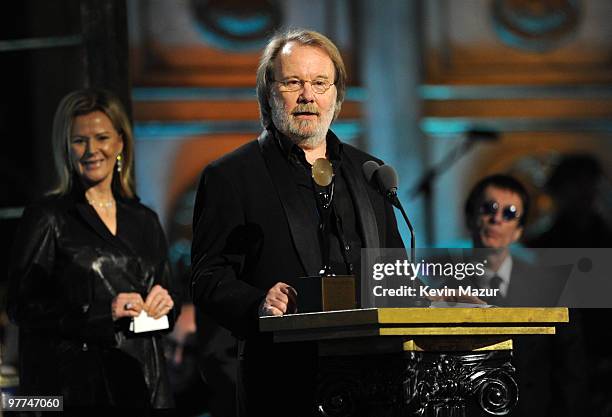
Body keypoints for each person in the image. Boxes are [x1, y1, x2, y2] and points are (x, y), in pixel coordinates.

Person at [191, 29, 403, 416]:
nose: (308, 96)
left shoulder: (369, 170)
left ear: (337, 96)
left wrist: (434, 299)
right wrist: (258, 301)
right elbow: (208, 277)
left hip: (377, 384)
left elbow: (394, 272)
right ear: (268, 93)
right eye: (293, 82)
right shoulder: (231, 176)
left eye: (320, 83)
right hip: (284, 383)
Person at [7, 89, 178, 414]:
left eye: (101, 137)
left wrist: (166, 304)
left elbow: (171, 299)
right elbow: (20, 305)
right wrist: (102, 310)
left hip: (143, 384)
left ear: (119, 143)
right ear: (66, 149)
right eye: (79, 140)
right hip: (77, 390)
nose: (91, 150)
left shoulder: (144, 219)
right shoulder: (48, 216)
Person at [464, 174, 587, 417]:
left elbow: (572, 370)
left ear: (518, 231)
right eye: (489, 208)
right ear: (470, 218)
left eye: (509, 213)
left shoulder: (552, 288)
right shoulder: (448, 287)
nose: (496, 218)